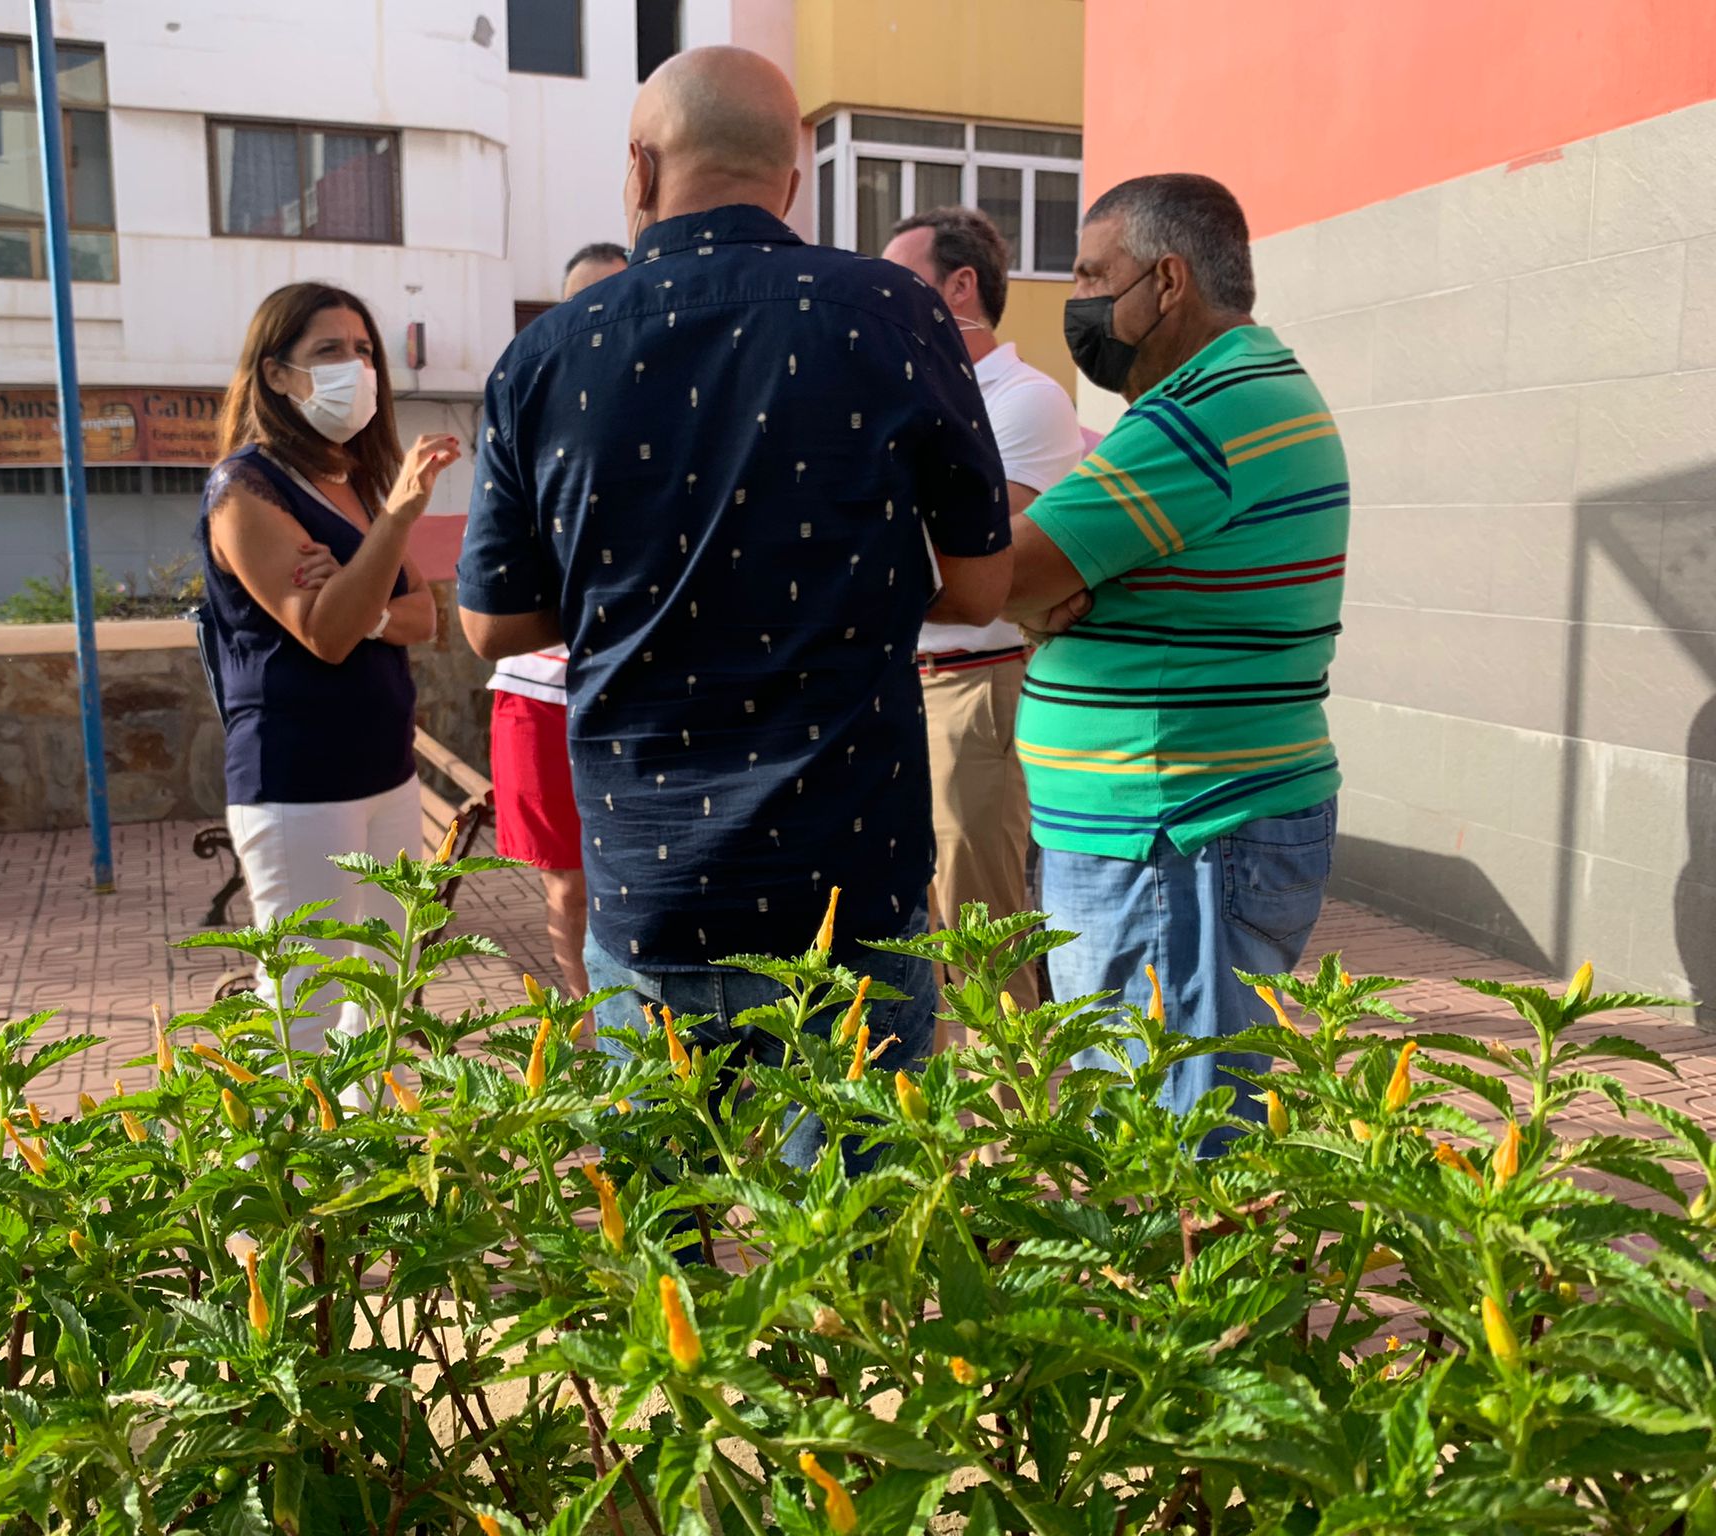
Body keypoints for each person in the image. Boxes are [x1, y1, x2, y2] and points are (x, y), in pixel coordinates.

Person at [455, 46, 1012, 1165]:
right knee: (862, 1253)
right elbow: (978, 586)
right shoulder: (894, 315)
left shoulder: (547, 354)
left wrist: (636, 589)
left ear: (638, 167)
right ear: (792, 180)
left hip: (649, 882)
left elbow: (491, 624)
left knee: (662, 1258)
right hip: (847, 875)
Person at [1005, 173, 1349, 1137]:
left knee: (1174, 1145)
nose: (1077, 302)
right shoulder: (1231, 393)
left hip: (1179, 836)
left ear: (1166, 280)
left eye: (1089, 275)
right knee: (1174, 1123)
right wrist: (1041, 599)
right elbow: (1043, 584)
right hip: (1180, 826)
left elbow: (1006, 571)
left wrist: (1032, 592)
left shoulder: (1201, 417)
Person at [197, 281, 460, 1049]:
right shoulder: (244, 490)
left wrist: (356, 593)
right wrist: (400, 515)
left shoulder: (347, 486)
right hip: (298, 784)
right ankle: (282, 1169)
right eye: (329, 351)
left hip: (387, 774)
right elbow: (328, 639)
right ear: (275, 374)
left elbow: (422, 617)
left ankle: (366, 1164)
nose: (357, 366)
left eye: (364, 350)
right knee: (304, 1014)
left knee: (381, 998)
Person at [882, 206, 1083, 1030]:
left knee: (981, 937)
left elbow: (984, 568)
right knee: (916, 937)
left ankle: (1016, 1124)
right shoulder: (916, 400)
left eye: (903, 283)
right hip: (901, 685)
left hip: (975, 688)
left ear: (961, 286)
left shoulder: (1024, 402)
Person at [485, 243, 629, 1000]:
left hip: (636, 688)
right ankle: (588, 1026)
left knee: (636, 875)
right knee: (569, 890)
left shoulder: (675, 417)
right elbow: (492, 588)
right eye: (582, 304)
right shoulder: (533, 413)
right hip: (538, 697)